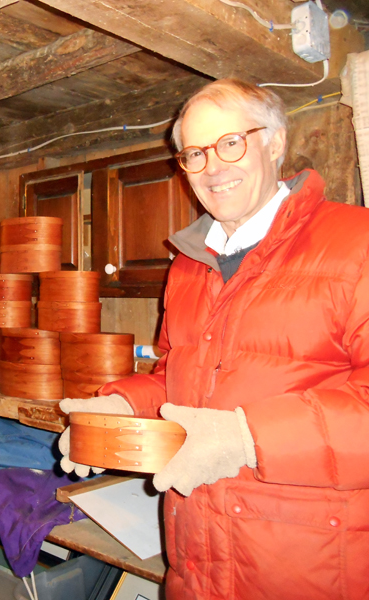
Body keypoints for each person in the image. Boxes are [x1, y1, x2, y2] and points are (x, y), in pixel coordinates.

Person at [59, 78, 369, 599]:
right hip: (197, 563)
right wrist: (121, 406)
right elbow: (176, 376)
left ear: (275, 143)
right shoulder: (187, 265)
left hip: (305, 571)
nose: (212, 168)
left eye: (231, 143)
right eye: (194, 154)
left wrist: (249, 437)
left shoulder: (356, 244)